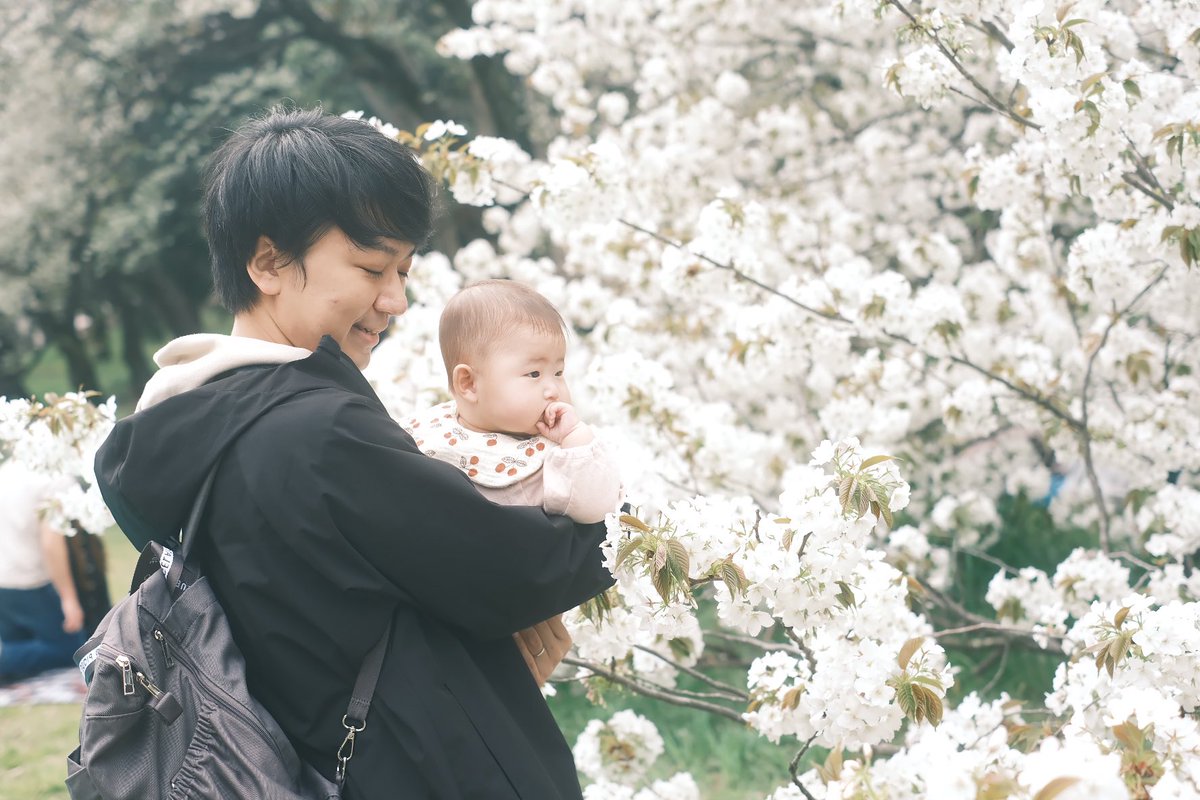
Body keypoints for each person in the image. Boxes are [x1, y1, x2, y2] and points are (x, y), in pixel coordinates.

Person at [94, 107, 614, 799]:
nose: (395, 300)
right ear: (269, 263)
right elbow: (512, 569)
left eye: (403, 269)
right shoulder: (318, 430)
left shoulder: (192, 425)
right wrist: (602, 502)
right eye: (372, 268)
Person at [402, 280, 622, 525]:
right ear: (469, 384)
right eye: (534, 374)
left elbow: (599, 508)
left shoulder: (550, 460)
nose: (553, 391)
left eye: (559, 373)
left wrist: (576, 436)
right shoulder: (431, 430)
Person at [0, 460, 88, 682]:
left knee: (19, 650)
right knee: (73, 650)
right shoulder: (56, 480)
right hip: (32, 583)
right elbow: (51, 543)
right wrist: (69, 599)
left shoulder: (6, 470)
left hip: (4, 585)